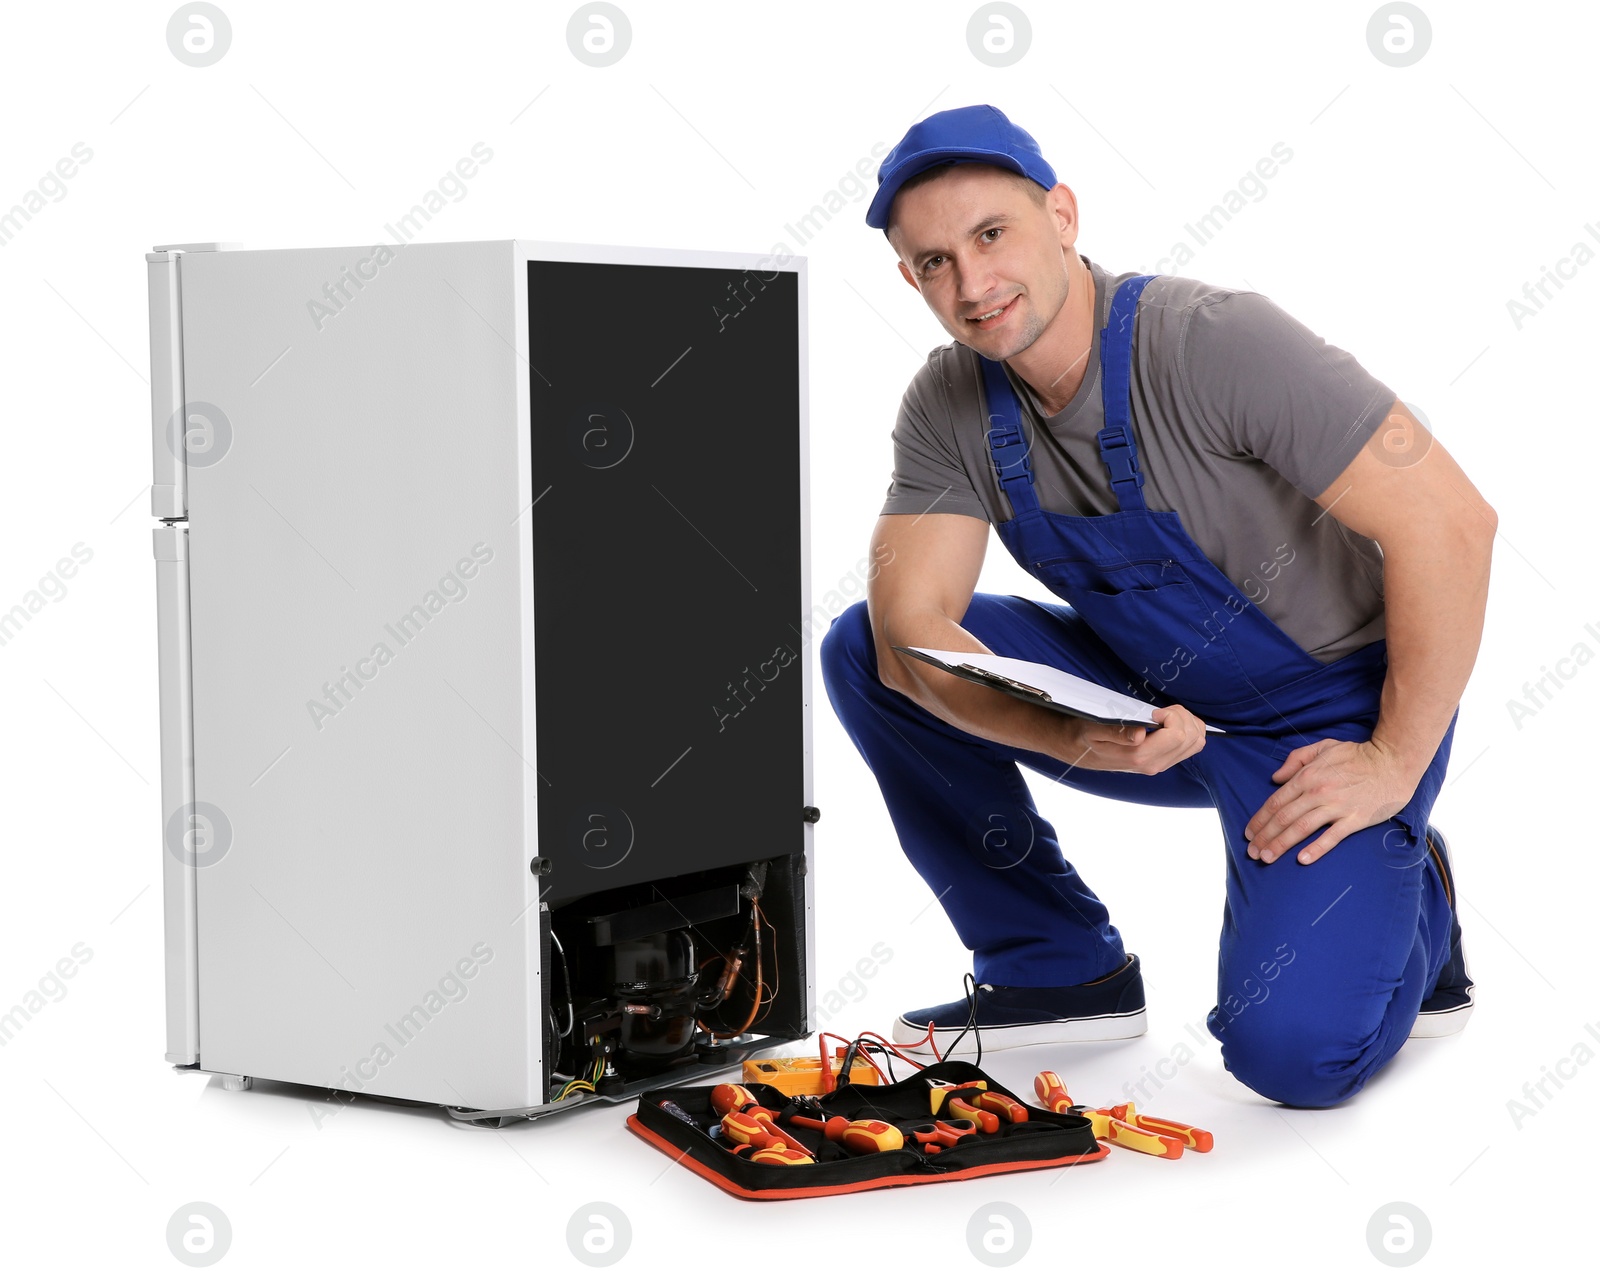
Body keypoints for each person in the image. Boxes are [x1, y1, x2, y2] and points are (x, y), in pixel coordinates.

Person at [818, 104, 1496, 1108]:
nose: (970, 283)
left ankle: (1414, 895)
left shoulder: (1217, 342)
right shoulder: (948, 402)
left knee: (1293, 1059)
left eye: (990, 234)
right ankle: (1054, 964)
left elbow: (1450, 525)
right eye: (932, 262)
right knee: (863, 647)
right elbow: (914, 635)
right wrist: (1087, 738)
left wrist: (1392, 759)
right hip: (1152, 710)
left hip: (1336, 723)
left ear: (1061, 214)